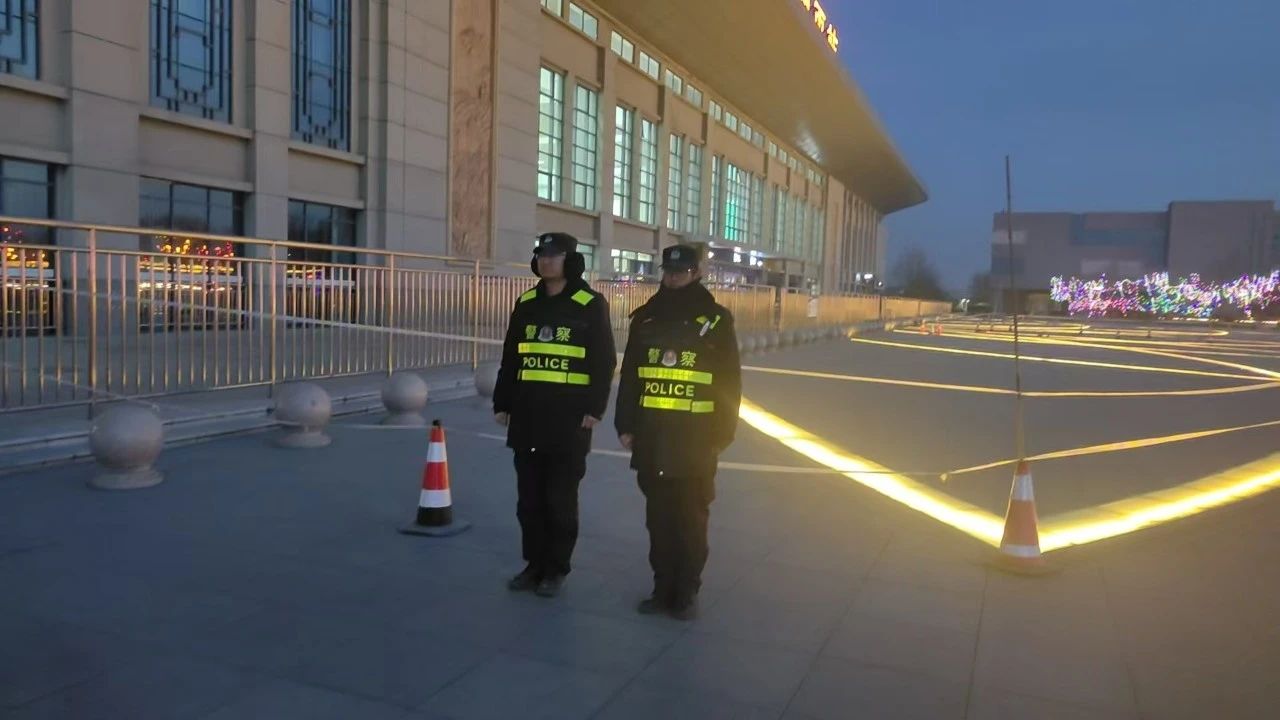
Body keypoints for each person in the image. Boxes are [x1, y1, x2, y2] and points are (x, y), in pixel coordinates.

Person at [614, 244, 742, 620]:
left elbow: (729, 381)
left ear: (697, 273)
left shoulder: (716, 321)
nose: (673, 278)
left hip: (695, 439)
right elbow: (631, 377)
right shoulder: (646, 318)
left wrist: (722, 433)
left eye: (681, 272)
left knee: (690, 519)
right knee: (659, 520)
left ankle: (686, 592)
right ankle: (662, 588)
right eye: (669, 272)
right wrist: (625, 424)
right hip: (653, 436)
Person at [493, 232, 616, 598]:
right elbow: (511, 357)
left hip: (569, 419)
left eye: (554, 255)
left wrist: (594, 408)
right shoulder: (527, 302)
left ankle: (556, 568)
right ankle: (534, 564)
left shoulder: (589, 304)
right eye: (541, 254)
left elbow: (604, 360)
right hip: (528, 416)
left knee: (559, 500)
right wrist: (502, 402)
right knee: (529, 501)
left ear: (571, 261)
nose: (546, 261)